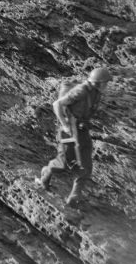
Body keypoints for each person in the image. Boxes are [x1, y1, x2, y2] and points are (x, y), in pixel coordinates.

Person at [35, 67, 112, 208]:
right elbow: (57, 104)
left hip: (82, 130)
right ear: (97, 82)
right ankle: (46, 173)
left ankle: (74, 196)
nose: (106, 86)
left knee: (86, 164)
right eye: (105, 83)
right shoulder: (81, 91)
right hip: (69, 130)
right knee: (63, 163)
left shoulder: (96, 93)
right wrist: (64, 124)